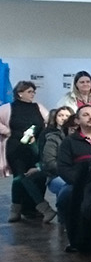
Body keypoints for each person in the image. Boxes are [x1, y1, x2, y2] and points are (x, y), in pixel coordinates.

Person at [56, 104, 91, 253]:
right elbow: (63, 167)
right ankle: (75, 236)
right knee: (66, 196)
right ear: (77, 120)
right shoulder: (69, 142)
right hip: (78, 182)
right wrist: (81, 182)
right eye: (86, 115)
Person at [5, 81, 51, 222]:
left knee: (33, 177)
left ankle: (24, 209)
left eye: (33, 92)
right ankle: (44, 208)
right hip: (16, 148)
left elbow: (48, 120)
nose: (33, 94)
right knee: (20, 177)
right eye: (30, 91)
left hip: (33, 147)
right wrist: (7, 131)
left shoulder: (38, 107)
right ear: (20, 93)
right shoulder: (8, 108)